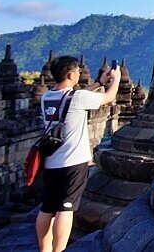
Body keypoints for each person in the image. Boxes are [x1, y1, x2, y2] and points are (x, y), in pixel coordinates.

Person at [35, 56, 120, 252]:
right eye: (77, 72)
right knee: (66, 208)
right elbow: (109, 97)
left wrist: (98, 83)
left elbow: (74, 96)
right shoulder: (78, 98)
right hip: (73, 162)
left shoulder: (47, 96)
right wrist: (115, 80)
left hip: (50, 162)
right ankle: (59, 249)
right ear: (70, 74)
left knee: (47, 208)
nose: (79, 74)